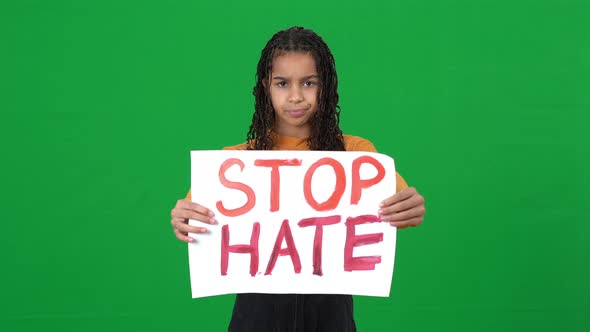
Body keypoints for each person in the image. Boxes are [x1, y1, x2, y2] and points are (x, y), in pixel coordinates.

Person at [170, 26, 426, 332]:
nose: (295, 96)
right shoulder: (235, 164)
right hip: (257, 319)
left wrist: (411, 206)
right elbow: (192, 221)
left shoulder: (356, 154)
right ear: (266, 86)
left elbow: (403, 210)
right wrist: (182, 217)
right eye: (282, 83)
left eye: (308, 83)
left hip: (330, 318)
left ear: (325, 86)